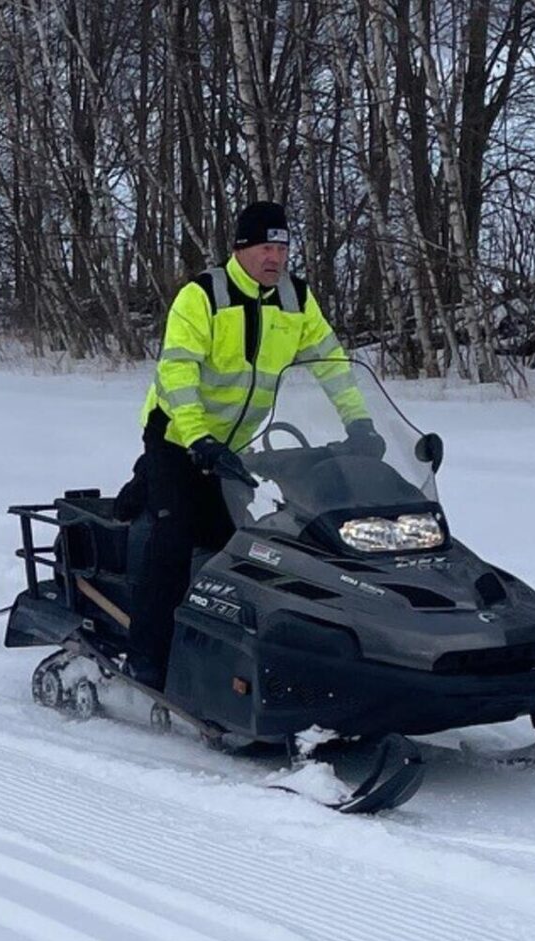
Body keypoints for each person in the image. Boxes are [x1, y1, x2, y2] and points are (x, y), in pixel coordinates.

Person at [124, 200, 380, 688]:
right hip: (179, 436)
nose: (276, 258)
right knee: (173, 539)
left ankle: (237, 651)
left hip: (237, 447)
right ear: (240, 249)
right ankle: (147, 660)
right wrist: (198, 438)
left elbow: (331, 362)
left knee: (254, 543)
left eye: (283, 247)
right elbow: (177, 372)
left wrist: (361, 424)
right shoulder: (202, 296)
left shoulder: (295, 300)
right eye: (266, 246)